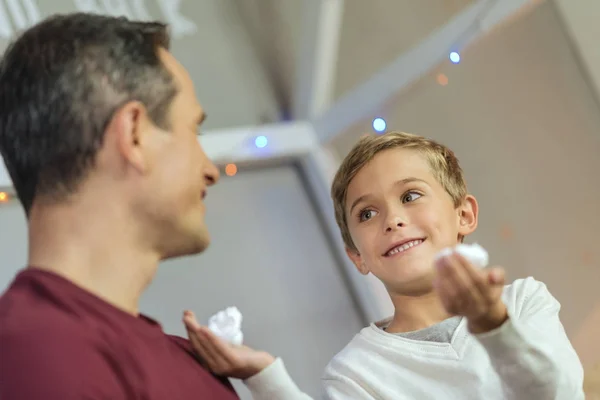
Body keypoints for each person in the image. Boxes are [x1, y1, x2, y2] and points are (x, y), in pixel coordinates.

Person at [0, 12, 300, 399]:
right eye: (193, 130)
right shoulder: (37, 359)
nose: (210, 170)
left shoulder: (189, 359)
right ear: (135, 134)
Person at [185, 131, 585, 399]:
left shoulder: (526, 302)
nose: (392, 220)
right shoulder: (356, 372)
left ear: (464, 215)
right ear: (357, 255)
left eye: (410, 196)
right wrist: (265, 375)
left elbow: (558, 392)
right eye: (367, 214)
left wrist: (495, 326)